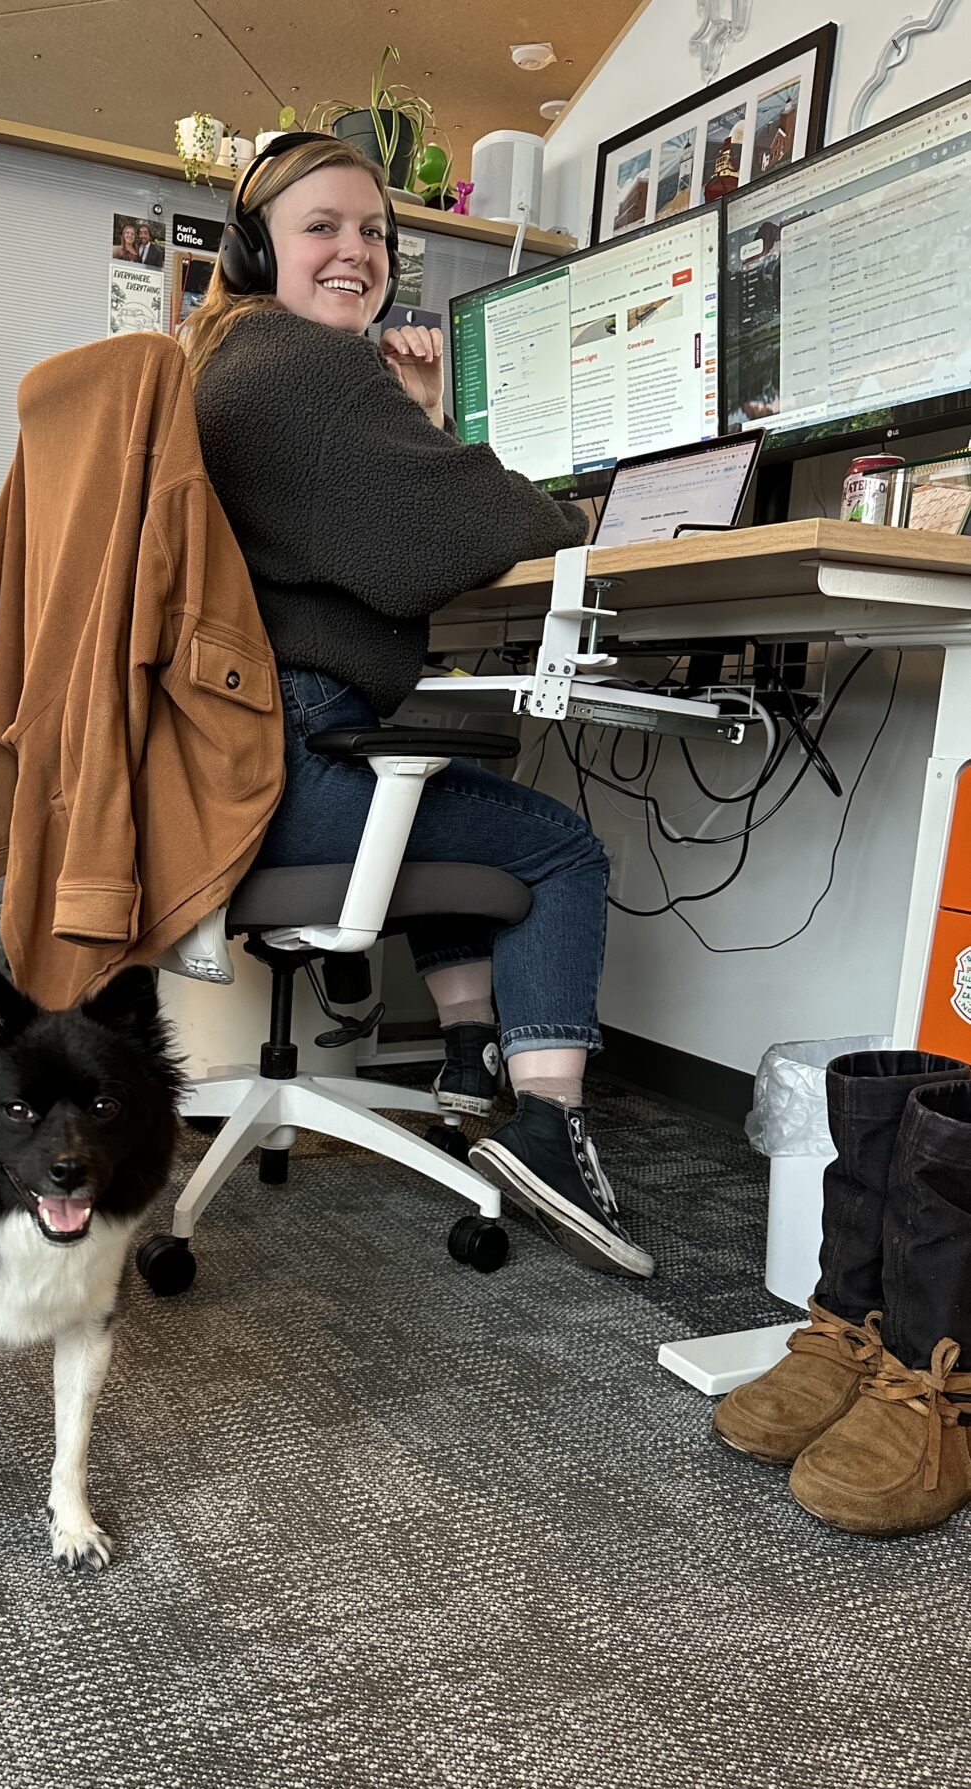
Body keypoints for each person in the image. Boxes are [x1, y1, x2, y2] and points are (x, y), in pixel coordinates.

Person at [182, 133, 653, 1280]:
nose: (357, 251)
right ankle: (546, 1123)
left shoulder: (225, 361)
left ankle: (463, 1058)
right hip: (290, 771)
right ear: (256, 250)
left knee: (446, 784)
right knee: (556, 851)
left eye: (375, 233)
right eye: (322, 228)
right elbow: (446, 536)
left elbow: (389, 521)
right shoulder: (299, 365)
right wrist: (579, 517)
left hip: (221, 772)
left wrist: (418, 416)